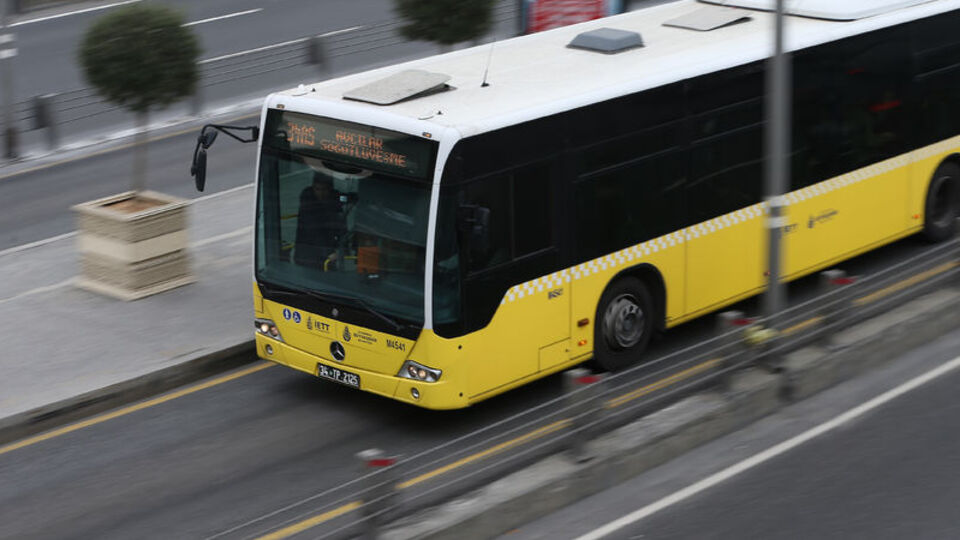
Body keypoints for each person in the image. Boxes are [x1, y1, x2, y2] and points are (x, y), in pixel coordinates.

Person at [294, 172, 347, 268]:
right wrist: (328, 252)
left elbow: (343, 198)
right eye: (317, 189)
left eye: (324, 189)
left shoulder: (333, 197)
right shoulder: (308, 201)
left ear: (330, 189)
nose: (321, 193)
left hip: (327, 252)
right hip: (308, 254)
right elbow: (313, 231)